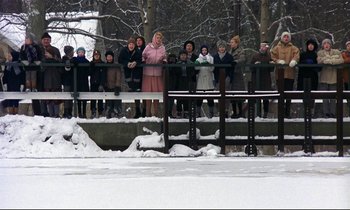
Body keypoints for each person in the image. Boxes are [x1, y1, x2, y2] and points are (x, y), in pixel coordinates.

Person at [271, 31, 300, 118]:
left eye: (287, 37)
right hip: (279, 74)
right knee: (280, 94)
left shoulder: (293, 48)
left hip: (290, 74)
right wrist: (278, 61)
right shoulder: (276, 48)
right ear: (282, 38)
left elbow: (297, 55)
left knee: (289, 94)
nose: (286, 38)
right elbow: (272, 56)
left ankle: (287, 112)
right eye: (284, 37)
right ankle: (281, 113)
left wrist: (294, 61)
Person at [142, 31, 167, 117]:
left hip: (157, 73)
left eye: (160, 38)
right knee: (148, 94)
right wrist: (143, 60)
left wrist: (164, 61)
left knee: (157, 94)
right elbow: (143, 55)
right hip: (148, 73)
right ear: (154, 38)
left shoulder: (162, 48)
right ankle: (147, 113)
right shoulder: (148, 47)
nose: (158, 39)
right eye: (157, 38)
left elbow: (164, 58)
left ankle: (156, 113)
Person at [317, 38, 344, 118]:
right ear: (322, 45)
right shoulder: (320, 52)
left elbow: (341, 60)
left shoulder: (336, 52)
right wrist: (332, 59)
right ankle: (326, 113)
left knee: (333, 97)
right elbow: (319, 60)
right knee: (324, 97)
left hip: (334, 78)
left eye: (328, 43)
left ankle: (333, 113)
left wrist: (330, 60)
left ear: (330, 45)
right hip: (324, 78)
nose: (326, 45)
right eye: (324, 43)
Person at [118, 37, 142, 118]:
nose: (131, 46)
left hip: (136, 75)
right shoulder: (123, 51)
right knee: (130, 89)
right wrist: (127, 63)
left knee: (136, 91)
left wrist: (135, 63)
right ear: (127, 45)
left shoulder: (138, 51)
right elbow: (120, 59)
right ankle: (127, 110)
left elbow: (140, 60)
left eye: (132, 44)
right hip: (127, 74)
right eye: (130, 44)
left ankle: (138, 109)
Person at [38, 32, 61, 117]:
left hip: (55, 75)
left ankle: (56, 114)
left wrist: (52, 57)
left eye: (48, 39)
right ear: (42, 40)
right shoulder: (39, 50)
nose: (46, 41)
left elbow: (60, 61)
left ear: (50, 40)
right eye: (44, 39)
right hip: (44, 76)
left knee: (56, 96)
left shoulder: (56, 50)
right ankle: (47, 114)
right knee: (46, 96)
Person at [297, 39, 321, 117]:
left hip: (313, 77)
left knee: (312, 94)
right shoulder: (302, 54)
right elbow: (299, 64)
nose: (310, 46)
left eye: (312, 45)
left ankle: (311, 112)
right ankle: (305, 111)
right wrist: (306, 63)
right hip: (303, 77)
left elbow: (319, 68)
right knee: (304, 94)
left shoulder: (316, 55)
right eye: (309, 44)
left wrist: (313, 65)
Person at [250, 41, 274, 118]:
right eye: (262, 46)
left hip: (266, 79)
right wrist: (255, 65)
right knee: (258, 97)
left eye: (265, 46)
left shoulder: (269, 56)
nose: (263, 48)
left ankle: (265, 114)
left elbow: (271, 69)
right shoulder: (255, 56)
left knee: (265, 97)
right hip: (257, 79)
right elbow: (250, 68)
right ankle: (258, 114)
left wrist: (271, 65)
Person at [213, 39, 234, 118]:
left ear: (225, 48)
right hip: (218, 78)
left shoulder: (229, 57)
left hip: (227, 77)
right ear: (218, 48)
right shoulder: (215, 57)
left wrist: (229, 78)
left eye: (223, 47)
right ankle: (219, 111)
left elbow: (232, 68)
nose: (222, 48)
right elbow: (214, 69)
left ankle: (226, 110)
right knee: (218, 95)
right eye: (220, 47)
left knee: (227, 95)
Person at [229, 35, 246, 118]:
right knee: (232, 93)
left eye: (232, 42)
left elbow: (242, 59)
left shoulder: (240, 51)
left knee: (239, 93)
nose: (230, 44)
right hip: (231, 74)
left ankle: (240, 112)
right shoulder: (230, 51)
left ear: (236, 43)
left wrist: (235, 62)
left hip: (238, 74)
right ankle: (234, 112)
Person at [195, 44, 215, 118]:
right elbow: (196, 68)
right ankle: (198, 113)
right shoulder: (198, 59)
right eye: (203, 50)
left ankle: (211, 113)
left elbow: (212, 69)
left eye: (205, 50)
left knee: (210, 98)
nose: (204, 51)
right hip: (200, 81)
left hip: (209, 80)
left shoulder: (211, 58)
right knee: (199, 99)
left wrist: (208, 63)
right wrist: (198, 64)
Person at [174, 50, 195, 118]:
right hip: (179, 81)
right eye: (182, 55)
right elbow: (176, 73)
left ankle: (186, 111)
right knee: (179, 97)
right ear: (179, 56)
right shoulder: (177, 63)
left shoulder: (190, 63)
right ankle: (179, 111)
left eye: (184, 55)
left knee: (187, 96)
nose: (183, 56)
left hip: (187, 80)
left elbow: (192, 72)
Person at [72, 47, 90, 118]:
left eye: (82, 52)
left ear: (84, 53)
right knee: (78, 98)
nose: (81, 53)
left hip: (84, 81)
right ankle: (79, 113)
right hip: (77, 81)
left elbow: (89, 72)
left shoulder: (86, 61)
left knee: (84, 98)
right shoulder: (75, 60)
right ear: (77, 53)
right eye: (79, 52)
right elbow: (71, 61)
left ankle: (84, 112)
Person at [104, 50, 122, 118]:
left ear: (113, 57)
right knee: (108, 103)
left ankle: (117, 113)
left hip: (115, 87)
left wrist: (117, 86)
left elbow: (118, 76)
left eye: (110, 56)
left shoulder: (116, 66)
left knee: (116, 102)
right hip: (107, 86)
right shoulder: (105, 66)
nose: (109, 58)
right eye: (108, 57)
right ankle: (108, 114)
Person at [90, 50, 106, 118]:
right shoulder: (91, 63)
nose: (96, 56)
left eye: (97, 55)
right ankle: (93, 111)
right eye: (95, 55)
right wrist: (92, 66)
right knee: (93, 98)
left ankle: (100, 112)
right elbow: (89, 73)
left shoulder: (102, 64)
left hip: (100, 83)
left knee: (100, 99)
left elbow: (103, 75)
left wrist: (102, 84)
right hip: (93, 83)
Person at [61, 45, 75, 118]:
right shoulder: (64, 60)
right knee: (67, 97)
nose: (73, 52)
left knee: (72, 96)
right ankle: (66, 112)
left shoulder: (73, 60)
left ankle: (70, 111)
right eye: (72, 51)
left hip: (73, 80)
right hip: (66, 80)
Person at [136, 36, 146, 117]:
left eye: (140, 40)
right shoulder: (133, 50)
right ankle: (137, 110)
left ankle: (144, 110)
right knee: (136, 91)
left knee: (144, 91)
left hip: (144, 73)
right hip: (136, 73)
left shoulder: (146, 50)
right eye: (137, 40)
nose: (138, 42)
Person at [166, 53, 178, 118]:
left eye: (173, 58)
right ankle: (168, 112)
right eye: (171, 58)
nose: (172, 60)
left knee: (172, 99)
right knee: (168, 99)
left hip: (174, 83)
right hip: (168, 83)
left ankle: (170, 112)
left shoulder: (177, 65)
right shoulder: (167, 65)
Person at [341, 41, 350, 114]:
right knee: (347, 96)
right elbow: (342, 61)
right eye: (348, 46)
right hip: (346, 78)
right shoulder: (343, 54)